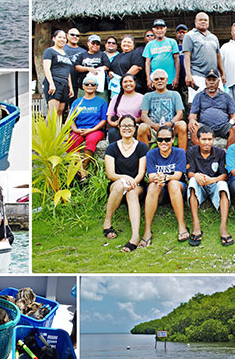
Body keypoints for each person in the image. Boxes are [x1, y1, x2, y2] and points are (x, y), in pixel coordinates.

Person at [104, 115, 148, 252]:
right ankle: (107, 222)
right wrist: (125, 178)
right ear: (119, 128)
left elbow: (141, 173)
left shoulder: (141, 147)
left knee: (131, 193)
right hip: (117, 183)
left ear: (135, 129)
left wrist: (133, 182)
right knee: (119, 185)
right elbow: (110, 174)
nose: (127, 128)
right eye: (124, 126)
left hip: (137, 185)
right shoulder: (112, 148)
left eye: (130, 126)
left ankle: (134, 237)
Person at [142, 125, 189, 245]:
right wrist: (159, 179)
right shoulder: (151, 154)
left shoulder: (179, 153)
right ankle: (147, 229)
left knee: (173, 183)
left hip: (177, 188)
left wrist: (165, 177)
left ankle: (181, 226)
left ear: (173, 139)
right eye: (160, 140)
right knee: (153, 185)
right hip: (160, 190)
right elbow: (151, 176)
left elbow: (178, 175)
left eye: (167, 139)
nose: (164, 142)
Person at [186, 125, 232, 246]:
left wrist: (213, 180)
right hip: (200, 185)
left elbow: (224, 175)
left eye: (209, 139)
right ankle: (196, 224)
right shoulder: (192, 151)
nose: (207, 142)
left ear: (213, 140)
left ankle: (223, 227)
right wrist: (196, 175)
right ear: (197, 140)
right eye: (204, 139)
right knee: (191, 182)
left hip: (213, 185)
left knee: (222, 184)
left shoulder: (220, 153)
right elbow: (189, 172)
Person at [67, 74, 108, 181]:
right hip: (79, 129)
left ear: (96, 87)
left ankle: (82, 169)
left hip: (95, 129)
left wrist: (92, 130)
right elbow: (71, 119)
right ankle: (83, 173)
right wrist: (75, 129)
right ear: (83, 86)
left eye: (92, 84)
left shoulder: (101, 102)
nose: (90, 86)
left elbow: (104, 120)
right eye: (87, 84)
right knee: (72, 141)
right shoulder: (76, 102)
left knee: (91, 141)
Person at [138, 69, 188, 151]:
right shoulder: (147, 96)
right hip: (153, 129)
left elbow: (180, 113)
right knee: (142, 127)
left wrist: (171, 123)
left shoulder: (175, 94)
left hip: (171, 127)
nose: (159, 81)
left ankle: (182, 156)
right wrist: (153, 125)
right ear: (152, 82)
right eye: (156, 79)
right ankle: (145, 159)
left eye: (162, 78)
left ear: (167, 80)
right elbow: (143, 115)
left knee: (182, 124)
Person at [188, 69, 235, 147]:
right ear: (205, 82)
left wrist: (234, 118)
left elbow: (234, 114)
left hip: (223, 126)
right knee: (194, 128)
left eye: (214, 80)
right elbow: (193, 114)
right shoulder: (199, 96)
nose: (211, 82)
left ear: (218, 82)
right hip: (204, 127)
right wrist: (192, 120)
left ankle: (229, 156)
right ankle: (201, 155)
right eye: (209, 80)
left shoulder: (226, 96)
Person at [182, 12, 225, 103]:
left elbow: (218, 57)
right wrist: (188, 75)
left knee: (218, 102)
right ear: (195, 21)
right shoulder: (189, 36)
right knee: (197, 103)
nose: (203, 22)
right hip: (197, 75)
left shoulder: (213, 37)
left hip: (214, 76)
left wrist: (223, 73)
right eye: (200, 20)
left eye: (205, 20)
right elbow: (187, 57)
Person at [43, 30, 74, 118]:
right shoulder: (49, 51)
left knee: (60, 111)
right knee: (53, 112)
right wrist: (51, 84)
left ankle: (58, 131)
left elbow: (67, 72)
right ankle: (49, 132)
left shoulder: (66, 54)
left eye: (64, 38)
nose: (62, 39)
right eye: (59, 37)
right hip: (55, 81)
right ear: (54, 38)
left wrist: (70, 87)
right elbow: (46, 68)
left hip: (64, 84)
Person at [143, 19, 180, 91]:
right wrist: (148, 79)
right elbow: (147, 63)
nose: (159, 30)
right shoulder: (149, 45)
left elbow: (177, 60)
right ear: (153, 30)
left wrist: (176, 77)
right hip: (155, 80)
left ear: (165, 29)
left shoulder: (172, 42)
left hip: (170, 80)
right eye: (157, 28)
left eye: (161, 28)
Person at [106, 74, 144, 143]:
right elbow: (110, 115)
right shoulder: (116, 98)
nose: (128, 84)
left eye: (130, 81)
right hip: (119, 126)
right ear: (121, 84)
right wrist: (114, 123)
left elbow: (144, 115)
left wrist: (133, 121)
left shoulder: (142, 98)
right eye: (125, 82)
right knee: (112, 132)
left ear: (135, 83)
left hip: (135, 126)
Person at [74, 34, 111, 101]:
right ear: (88, 43)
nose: (95, 45)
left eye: (97, 44)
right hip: (84, 86)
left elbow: (107, 66)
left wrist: (99, 70)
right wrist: (89, 69)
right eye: (93, 43)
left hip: (100, 86)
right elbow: (77, 67)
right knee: (82, 105)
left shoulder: (103, 55)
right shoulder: (82, 55)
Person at [64, 28, 87, 97]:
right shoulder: (61, 49)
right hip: (63, 83)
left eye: (77, 35)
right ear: (67, 35)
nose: (75, 37)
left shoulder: (83, 52)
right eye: (72, 34)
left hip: (77, 84)